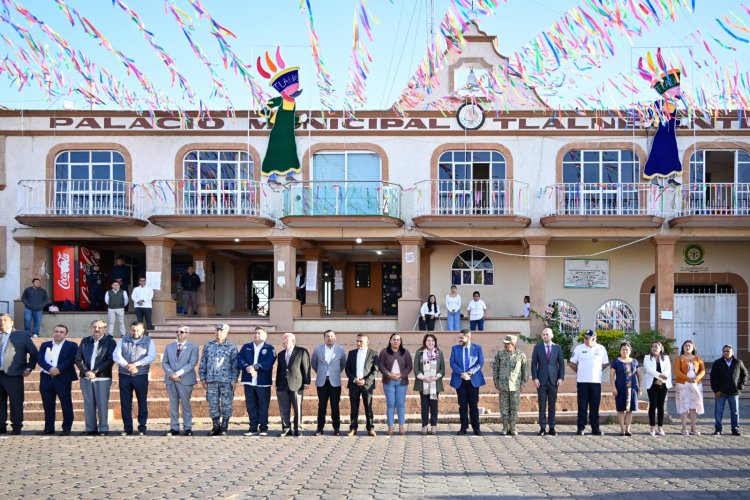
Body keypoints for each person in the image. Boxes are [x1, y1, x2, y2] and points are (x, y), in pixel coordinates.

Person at [113, 321, 156, 435]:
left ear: (142, 330)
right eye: (133, 330)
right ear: (130, 330)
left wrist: (135, 365)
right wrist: (128, 366)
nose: (135, 332)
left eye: (138, 330)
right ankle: (127, 428)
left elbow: (151, 356)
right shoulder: (123, 340)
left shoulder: (149, 341)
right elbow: (116, 355)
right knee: (125, 402)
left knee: (142, 401)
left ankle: (142, 427)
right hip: (124, 375)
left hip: (140, 375)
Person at [75, 319, 116, 436]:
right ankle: (90, 428)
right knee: (88, 403)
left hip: (102, 377)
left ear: (105, 329)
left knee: (102, 403)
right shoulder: (85, 341)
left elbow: (109, 360)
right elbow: (78, 358)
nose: (96, 329)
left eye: (99, 327)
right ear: (91, 328)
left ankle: (103, 428)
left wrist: (95, 371)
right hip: (86, 377)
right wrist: (86, 371)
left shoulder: (110, 342)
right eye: (94, 327)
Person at [36, 324, 78, 435]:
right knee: (48, 404)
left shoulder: (72, 345)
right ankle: (49, 428)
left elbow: (72, 359)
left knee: (66, 403)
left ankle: (66, 428)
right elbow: (40, 359)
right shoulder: (45, 345)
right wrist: (49, 369)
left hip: (62, 378)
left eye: (61, 332)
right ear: (53, 332)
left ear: (66, 334)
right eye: (56, 331)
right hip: (46, 378)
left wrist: (59, 369)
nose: (58, 333)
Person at [0, 313, 38, 435]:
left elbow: (34, 353)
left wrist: (29, 368)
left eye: (5, 320)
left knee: (15, 401)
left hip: (14, 374)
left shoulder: (21, 335)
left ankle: (16, 426)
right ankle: (1, 425)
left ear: (12, 322)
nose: (2, 322)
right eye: (0, 320)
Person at [200, 323, 239, 436]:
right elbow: (203, 362)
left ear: (227, 333)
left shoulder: (231, 347)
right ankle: (215, 426)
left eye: (222, 331)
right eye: (217, 330)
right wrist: (202, 377)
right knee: (213, 403)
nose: (219, 333)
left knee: (226, 403)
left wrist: (234, 379)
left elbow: (235, 365)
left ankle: (224, 426)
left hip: (226, 381)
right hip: (211, 380)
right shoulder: (208, 346)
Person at [569, 329, 609, 436]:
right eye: (585, 338)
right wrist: (580, 371)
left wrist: (597, 370)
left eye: (588, 338)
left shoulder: (601, 348)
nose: (585, 340)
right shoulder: (579, 348)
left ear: (594, 338)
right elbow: (572, 363)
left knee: (595, 406)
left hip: (595, 382)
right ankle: (580, 427)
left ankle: (595, 428)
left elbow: (605, 363)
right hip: (582, 382)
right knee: (582, 405)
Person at [238, 326, 276, 436]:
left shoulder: (269, 348)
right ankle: (253, 427)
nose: (256, 335)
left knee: (263, 405)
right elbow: (239, 359)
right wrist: (247, 367)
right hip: (249, 382)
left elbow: (269, 363)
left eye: (259, 333)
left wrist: (254, 367)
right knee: (251, 405)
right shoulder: (246, 347)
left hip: (262, 382)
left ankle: (263, 427)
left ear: (265, 335)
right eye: (255, 333)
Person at [162, 325, 199, 436]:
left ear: (187, 334)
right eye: (177, 331)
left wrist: (178, 373)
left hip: (185, 380)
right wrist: (171, 373)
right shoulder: (169, 346)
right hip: (171, 379)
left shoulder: (193, 347)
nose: (179, 333)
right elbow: (165, 362)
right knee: (173, 404)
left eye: (181, 332)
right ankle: (174, 428)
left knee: (185, 404)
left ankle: (187, 428)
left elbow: (192, 363)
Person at [449, 329, 485, 436]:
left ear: (468, 337)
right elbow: (452, 362)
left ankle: (476, 428)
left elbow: (480, 363)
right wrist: (462, 373)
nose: (459, 339)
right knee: (462, 405)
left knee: (474, 405)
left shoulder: (477, 348)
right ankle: (463, 427)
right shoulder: (455, 348)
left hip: (473, 380)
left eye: (461, 337)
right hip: (460, 380)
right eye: (459, 337)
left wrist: (469, 373)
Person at [310, 330, 346, 436]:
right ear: (324, 338)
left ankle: (336, 428)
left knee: (335, 406)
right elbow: (313, 363)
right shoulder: (317, 349)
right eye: (327, 336)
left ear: (335, 338)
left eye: (331, 336)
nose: (329, 338)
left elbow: (342, 364)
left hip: (335, 382)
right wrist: (321, 373)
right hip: (322, 381)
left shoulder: (340, 350)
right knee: (322, 406)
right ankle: (320, 428)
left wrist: (334, 373)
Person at [493, 334, 529, 436]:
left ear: (513, 344)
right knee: (504, 408)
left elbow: (525, 370)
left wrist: (523, 383)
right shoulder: (500, 354)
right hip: (503, 385)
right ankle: (505, 427)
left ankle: (513, 427)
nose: (505, 345)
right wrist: (496, 381)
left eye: (507, 343)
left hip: (515, 386)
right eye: (504, 343)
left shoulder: (521, 355)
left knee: (514, 408)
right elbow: (495, 369)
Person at [531, 327, 564, 436]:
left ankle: (552, 427)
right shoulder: (538, 347)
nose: (545, 336)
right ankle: (542, 428)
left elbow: (561, 364)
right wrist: (535, 378)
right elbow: (533, 364)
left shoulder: (557, 348)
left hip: (554, 381)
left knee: (552, 405)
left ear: (552, 335)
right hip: (541, 381)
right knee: (542, 405)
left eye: (547, 334)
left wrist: (561, 377)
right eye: (543, 334)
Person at [276, 332, 311, 437]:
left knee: (297, 408)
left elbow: (306, 367)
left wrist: (306, 381)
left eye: (286, 340)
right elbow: (279, 370)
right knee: (284, 408)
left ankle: (298, 429)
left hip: (297, 384)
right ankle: (286, 429)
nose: (283, 341)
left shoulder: (301, 351)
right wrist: (277, 384)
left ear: (293, 341)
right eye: (283, 340)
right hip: (283, 385)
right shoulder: (281, 354)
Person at [378, 333, 413, 436]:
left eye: (398, 340)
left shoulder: (405, 352)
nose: (396, 341)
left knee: (400, 404)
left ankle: (401, 426)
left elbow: (409, 366)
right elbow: (381, 365)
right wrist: (389, 374)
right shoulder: (384, 352)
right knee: (390, 404)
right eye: (394, 339)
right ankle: (390, 426)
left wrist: (401, 375)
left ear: (400, 341)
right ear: (390, 341)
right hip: (389, 382)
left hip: (402, 382)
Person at [345, 333, 379, 437]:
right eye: (357, 341)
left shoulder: (374, 353)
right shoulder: (351, 353)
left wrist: (365, 380)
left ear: (367, 342)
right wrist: (354, 379)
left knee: (368, 407)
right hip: (354, 384)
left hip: (367, 385)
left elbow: (375, 370)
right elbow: (347, 369)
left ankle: (370, 428)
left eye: (361, 341)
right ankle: (353, 428)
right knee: (354, 407)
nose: (358, 343)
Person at [710, 344, 747, 436]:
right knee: (718, 411)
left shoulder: (738, 362)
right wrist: (716, 390)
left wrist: (740, 386)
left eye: (728, 351)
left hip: (733, 392)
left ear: (732, 352)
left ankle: (735, 429)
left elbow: (744, 375)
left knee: (735, 411)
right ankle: (718, 429)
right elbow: (713, 377)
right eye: (724, 351)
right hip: (720, 392)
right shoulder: (717, 363)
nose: (726, 353)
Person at [413, 333, 445, 435]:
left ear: (435, 342)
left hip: (435, 385)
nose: (430, 342)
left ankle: (434, 426)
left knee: (434, 406)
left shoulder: (439, 353)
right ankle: (424, 426)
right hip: (423, 384)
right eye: (428, 341)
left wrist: (436, 377)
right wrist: (424, 378)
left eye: (432, 341)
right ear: (425, 342)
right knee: (424, 406)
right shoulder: (420, 353)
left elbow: (442, 369)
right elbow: (416, 369)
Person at [673, 340, 705, 436]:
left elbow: (702, 370)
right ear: (683, 347)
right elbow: (677, 371)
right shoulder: (679, 358)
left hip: (696, 384)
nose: (687, 347)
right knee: (683, 405)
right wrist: (688, 379)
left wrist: (697, 378)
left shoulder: (698, 358)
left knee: (693, 406)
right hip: (683, 384)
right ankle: (683, 428)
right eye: (685, 346)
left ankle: (693, 428)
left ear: (693, 348)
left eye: (689, 346)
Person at [610, 342, 642, 436]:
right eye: (623, 349)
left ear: (630, 351)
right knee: (620, 409)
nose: (625, 351)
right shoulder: (616, 361)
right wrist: (613, 387)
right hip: (620, 389)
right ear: (620, 351)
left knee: (629, 409)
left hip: (632, 389)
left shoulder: (634, 361)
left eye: (627, 349)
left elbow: (639, 375)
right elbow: (611, 375)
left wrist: (640, 387)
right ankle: (622, 429)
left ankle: (628, 429)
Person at [643, 341, 672, 436]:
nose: (654, 348)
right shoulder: (647, 358)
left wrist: (661, 380)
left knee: (661, 406)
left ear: (661, 348)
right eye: (653, 346)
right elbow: (648, 369)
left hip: (663, 384)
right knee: (653, 405)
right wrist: (660, 375)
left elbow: (667, 370)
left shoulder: (666, 358)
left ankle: (660, 427)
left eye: (656, 346)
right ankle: (652, 427)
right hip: (652, 384)